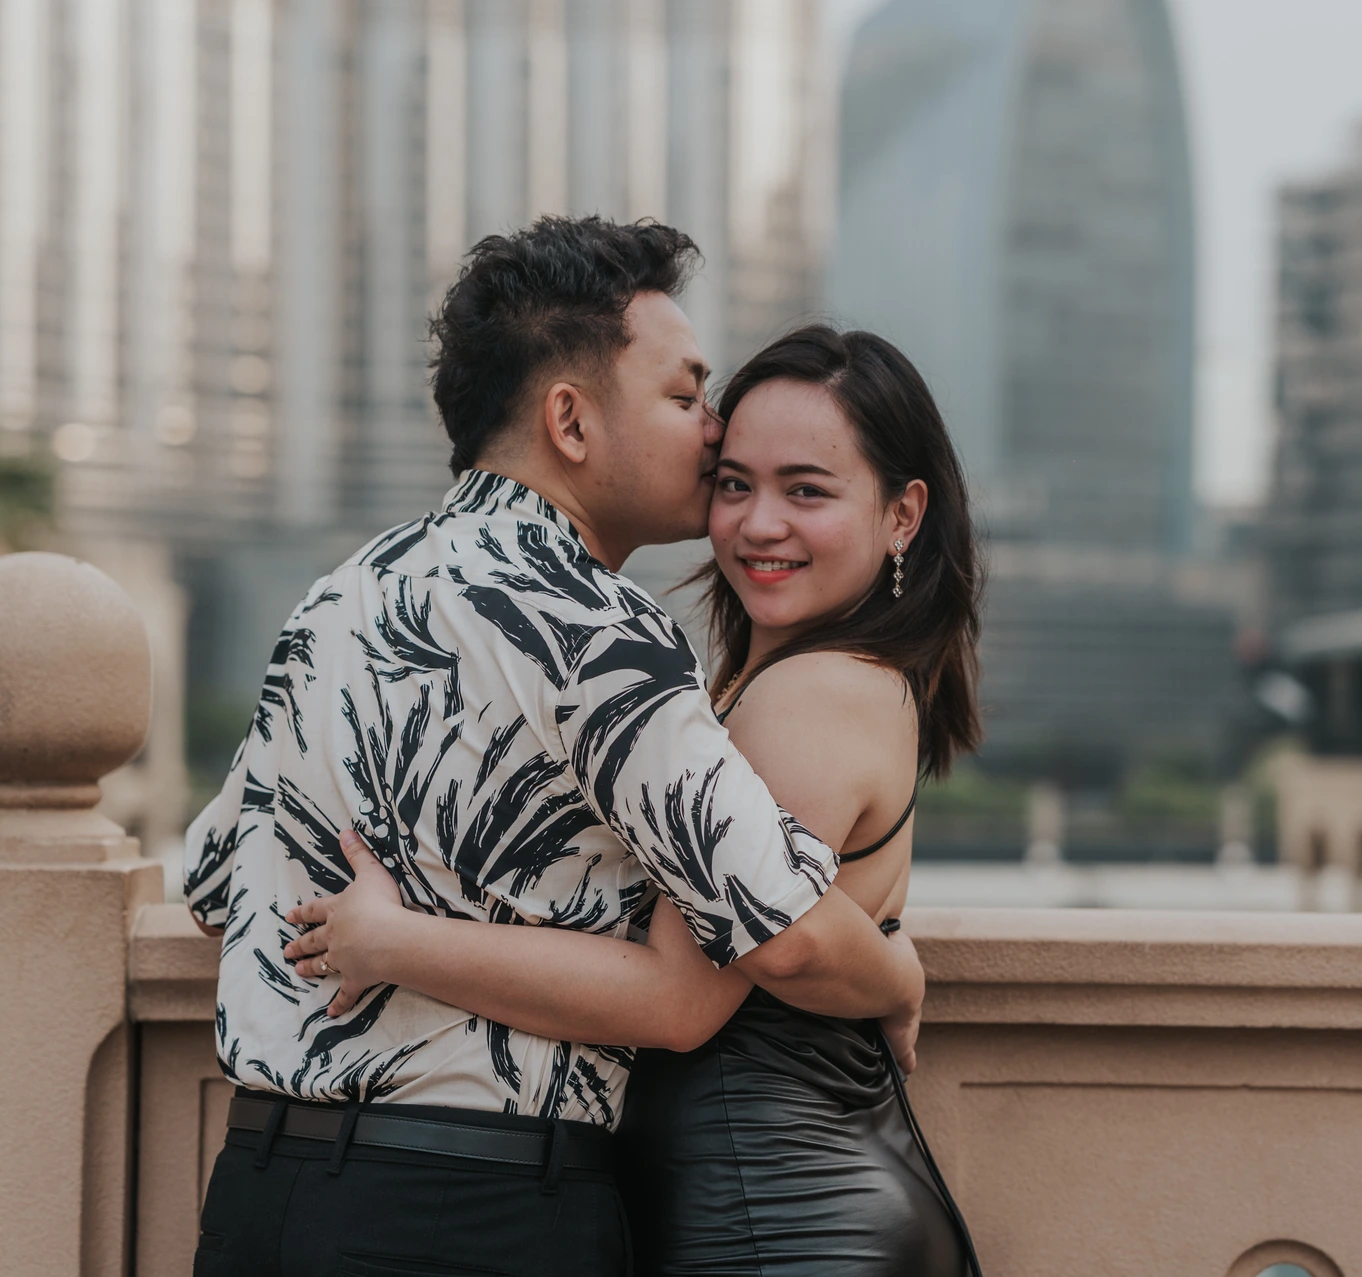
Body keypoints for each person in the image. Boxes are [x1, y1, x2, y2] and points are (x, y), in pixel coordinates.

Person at [183, 217, 927, 1277]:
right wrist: (898, 975)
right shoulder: (600, 630)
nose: (711, 433)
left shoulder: (342, 595)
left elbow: (218, 879)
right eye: (683, 397)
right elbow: (785, 937)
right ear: (570, 421)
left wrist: (398, 926)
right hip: (473, 1208)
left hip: (260, 1191)